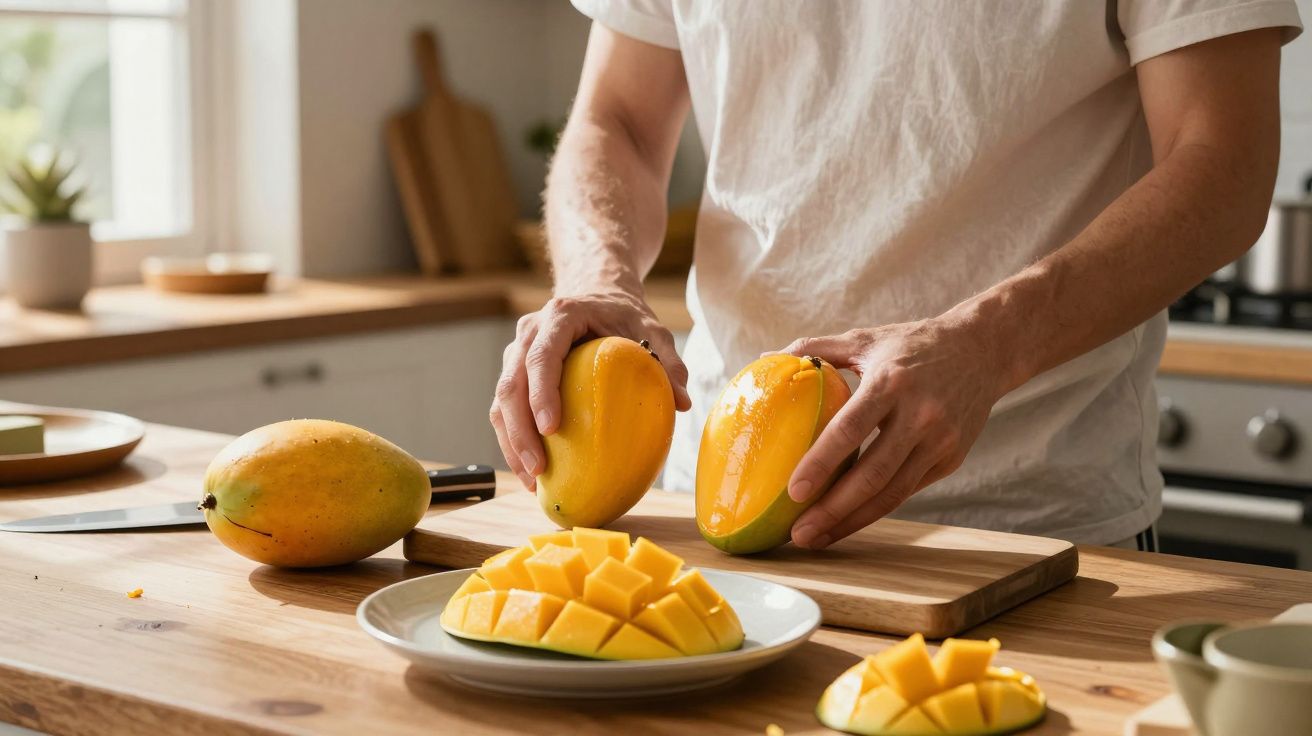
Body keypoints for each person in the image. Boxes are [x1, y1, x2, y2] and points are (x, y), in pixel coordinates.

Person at [490, 1, 1304, 551]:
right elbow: (618, 121)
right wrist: (600, 278)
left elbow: (1222, 166)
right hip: (712, 509)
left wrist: (985, 343)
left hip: (1027, 532)